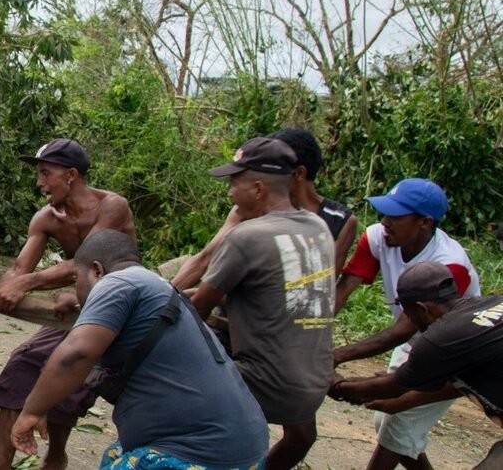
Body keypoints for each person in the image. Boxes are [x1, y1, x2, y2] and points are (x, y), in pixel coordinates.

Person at [12, 230, 269, 469]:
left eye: (76, 279)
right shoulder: (157, 287)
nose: (77, 290)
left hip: (203, 454)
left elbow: (76, 354)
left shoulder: (118, 282)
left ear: (97, 271)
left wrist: (32, 411)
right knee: (114, 454)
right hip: (243, 447)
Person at [187, 137, 336, 470]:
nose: (229, 193)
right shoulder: (320, 227)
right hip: (313, 385)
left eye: (233, 183)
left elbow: (197, 310)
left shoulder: (247, 236)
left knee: (159, 392)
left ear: (257, 189)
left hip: (265, 386)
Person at [0, 138, 135, 470]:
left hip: (117, 308)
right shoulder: (47, 218)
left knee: (70, 381)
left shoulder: (113, 206)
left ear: (71, 175)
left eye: (45, 173)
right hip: (80, 310)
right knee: (23, 363)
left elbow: (87, 260)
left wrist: (28, 282)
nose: (39, 183)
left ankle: (55, 457)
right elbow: (17, 268)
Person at [331, 178, 480, 470]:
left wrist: (337, 356)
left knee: (397, 424)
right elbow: (345, 288)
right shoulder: (377, 238)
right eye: (384, 213)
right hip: (421, 343)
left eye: (396, 216)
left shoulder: (450, 265)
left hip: (453, 354)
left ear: (424, 222)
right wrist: (312, 331)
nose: (385, 221)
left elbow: (403, 329)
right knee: (387, 423)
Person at [330, 262, 502, 470]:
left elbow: (390, 388)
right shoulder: (491, 303)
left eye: (409, 315)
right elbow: (458, 383)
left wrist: (337, 385)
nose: (410, 321)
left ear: (422, 309)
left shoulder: (440, 337)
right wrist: (403, 393)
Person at [172, 127, 358, 290]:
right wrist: (166, 300)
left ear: (299, 173)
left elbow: (319, 287)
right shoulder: (246, 210)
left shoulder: (339, 221)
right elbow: (205, 259)